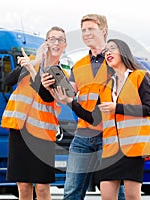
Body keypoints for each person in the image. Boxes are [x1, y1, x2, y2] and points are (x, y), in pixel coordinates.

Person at [54, 38, 150, 200]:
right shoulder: (106, 86)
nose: (108, 53)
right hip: (110, 151)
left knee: (131, 196)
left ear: (124, 52)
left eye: (112, 49)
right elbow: (92, 118)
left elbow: (149, 110)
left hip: (133, 149)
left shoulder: (139, 77)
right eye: (106, 51)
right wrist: (68, 102)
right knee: (106, 195)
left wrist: (118, 108)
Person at [42, 14, 125, 199]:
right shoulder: (78, 66)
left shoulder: (118, 60)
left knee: (115, 193)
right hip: (83, 135)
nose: (86, 33)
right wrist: (52, 87)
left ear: (103, 31)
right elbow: (68, 94)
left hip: (109, 135)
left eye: (91, 29)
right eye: (83, 30)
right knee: (71, 191)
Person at [0, 26, 67, 200]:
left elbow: (45, 96)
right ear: (45, 43)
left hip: (42, 133)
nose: (56, 43)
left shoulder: (60, 73)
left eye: (60, 40)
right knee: (22, 186)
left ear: (64, 45)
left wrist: (32, 69)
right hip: (20, 130)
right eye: (52, 39)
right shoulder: (32, 61)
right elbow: (8, 81)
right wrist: (35, 62)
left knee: (43, 187)